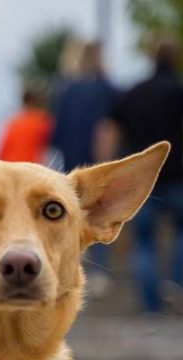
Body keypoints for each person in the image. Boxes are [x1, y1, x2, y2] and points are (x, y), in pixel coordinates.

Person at [95, 37, 183, 314]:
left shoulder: (133, 92)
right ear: (178, 59)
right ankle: (176, 282)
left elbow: (107, 130)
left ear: (151, 58)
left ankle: (151, 307)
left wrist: (104, 170)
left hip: (142, 185)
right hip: (178, 178)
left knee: (144, 241)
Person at [51, 41, 117, 298]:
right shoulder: (107, 89)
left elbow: (57, 132)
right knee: (100, 215)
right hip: (99, 163)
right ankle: (100, 271)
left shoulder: (67, 89)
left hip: (72, 162)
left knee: (71, 214)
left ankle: (71, 268)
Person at [0, 87, 53, 163]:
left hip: (11, 166)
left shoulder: (14, 123)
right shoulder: (44, 122)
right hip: (32, 167)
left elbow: (2, 150)